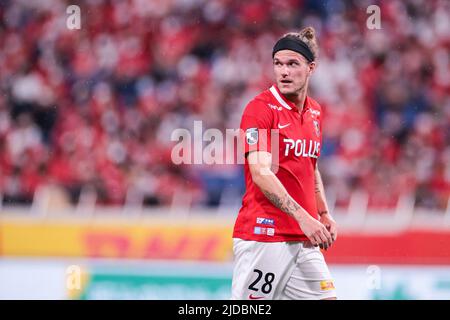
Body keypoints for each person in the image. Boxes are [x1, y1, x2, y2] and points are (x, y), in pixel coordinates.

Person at [231, 27, 338, 300]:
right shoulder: (260, 109)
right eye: (278, 64)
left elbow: (310, 167)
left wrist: (322, 214)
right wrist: (305, 218)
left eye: (292, 64)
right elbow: (260, 172)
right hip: (265, 235)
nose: (284, 72)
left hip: (303, 238)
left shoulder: (314, 111)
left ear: (311, 68)